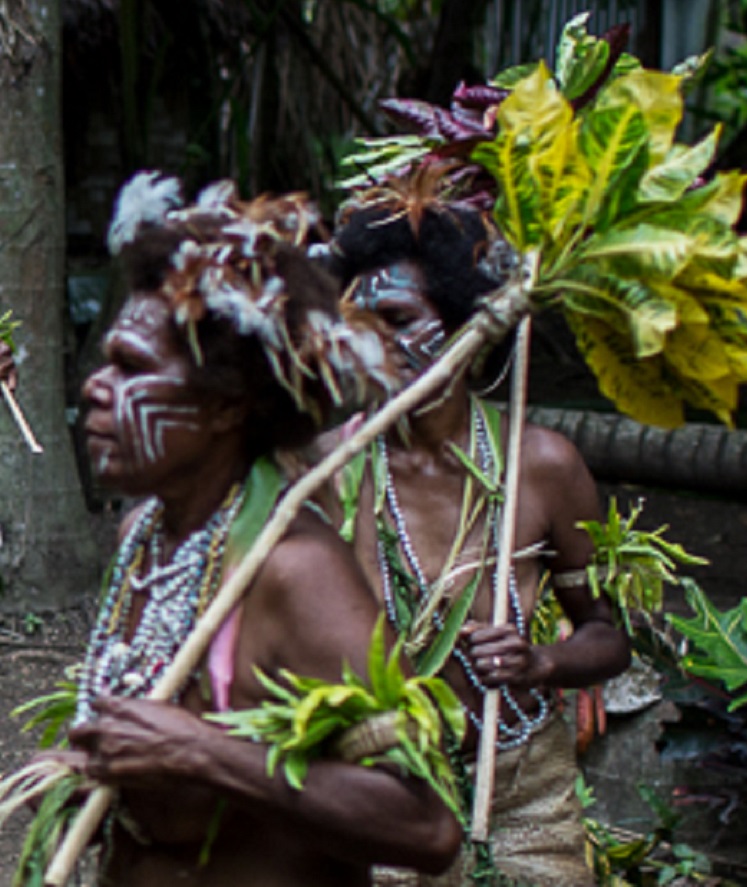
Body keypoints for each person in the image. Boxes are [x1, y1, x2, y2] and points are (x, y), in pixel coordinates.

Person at [51, 172, 462, 887]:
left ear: (225, 405)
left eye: (131, 368)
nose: (95, 387)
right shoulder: (144, 536)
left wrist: (206, 754)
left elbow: (426, 824)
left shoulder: (293, 570)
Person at [318, 192, 632, 886]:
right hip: (383, 784)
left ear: (469, 324)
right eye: (360, 324)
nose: (378, 343)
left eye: (399, 320)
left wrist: (542, 662)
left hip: (526, 789)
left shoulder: (541, 466)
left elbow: (606, 636)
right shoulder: (323, 473)